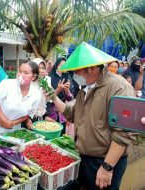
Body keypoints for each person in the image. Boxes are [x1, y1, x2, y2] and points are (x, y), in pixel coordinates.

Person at [46, 42, 136, 190]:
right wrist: (54, 98)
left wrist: (107, 167)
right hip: (86, 158)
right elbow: (72, 114)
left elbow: (123, 133)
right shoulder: (85, 89)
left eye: (77, 71)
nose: (75, 75)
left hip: (105, 161)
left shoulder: (118, 87)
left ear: (91, 68)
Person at [0, 61, 42, 134]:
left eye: (26, 73)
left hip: (15, 131)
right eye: (20, 71)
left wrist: (12, 123)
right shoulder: (6, 84)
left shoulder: (36, 94)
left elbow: (29, 114)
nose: (21, 75)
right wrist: (4, 121)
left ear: (33, 77)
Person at [47, 57, 74, 134]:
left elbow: (70, 99)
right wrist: (58, 89)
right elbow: (47, 98)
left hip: (64, 113)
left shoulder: (69, 78)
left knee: (62, 135)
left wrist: (67, 90)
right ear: (56, 66)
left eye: (65, 65)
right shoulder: (50, 78)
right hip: (51, 113)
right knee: (51, 133)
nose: (62, 67)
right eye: (60, 65)